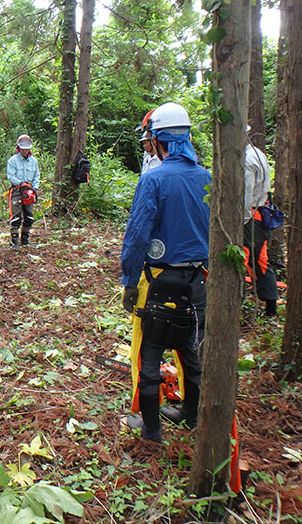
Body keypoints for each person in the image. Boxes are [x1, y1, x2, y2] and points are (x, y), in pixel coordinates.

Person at [119, 102, 210, 442]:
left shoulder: (153, 179)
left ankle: (152, 428)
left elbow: (138, 234)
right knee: (191, 348)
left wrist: (129, 281)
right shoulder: (207, 178)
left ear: (158, 140)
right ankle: (190, 415)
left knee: (150, 351)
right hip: (196, 279)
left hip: (158, 280)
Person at [243, 134, 278, 316]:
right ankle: (271, 306)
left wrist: (242, 220)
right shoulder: (258, 154)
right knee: (260, 260)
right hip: (260, 215)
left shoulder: (247, 160)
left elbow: (247, 195)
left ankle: (236, 304)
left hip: (251, 218)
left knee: (243, 261)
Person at [6, 134, 40, 248]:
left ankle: (25, 240)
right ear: (18, 148)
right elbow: (10, 176)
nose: (25, 151)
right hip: (16, 191)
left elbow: (36, 175)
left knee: (29, 217)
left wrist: (34, 188)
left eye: (27, 149)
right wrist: (20, 183)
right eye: (23, 148)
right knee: (16, 218)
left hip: (29, 191)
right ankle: (14, 242)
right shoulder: (12, 161)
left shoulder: (34, 161)